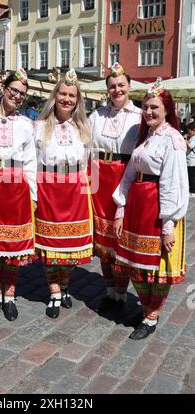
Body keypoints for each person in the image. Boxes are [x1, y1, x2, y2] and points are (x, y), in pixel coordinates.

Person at [113, 78, 189, 339]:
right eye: (145, 107)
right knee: (136, 262)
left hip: (157, 209)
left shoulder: (173, 140)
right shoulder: (145, 138)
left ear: (167, 109)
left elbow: (172, 184)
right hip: (137, 206)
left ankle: (152, 315)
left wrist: (168, 226)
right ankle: (146, 308)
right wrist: (120, 209)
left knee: (157, 268)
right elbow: (129, 174)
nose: (148, 112)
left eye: (154, 107)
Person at [0, 68, 37, 321]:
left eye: (22, 94)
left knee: (13, 246)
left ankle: (10, 295)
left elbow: (32, 162)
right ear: (4, 89)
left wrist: (33, 195)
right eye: (14, 91)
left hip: (16, 187)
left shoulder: (26, 124)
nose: (18, 97)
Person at [34, 69, 93, 318]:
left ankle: (66, 286)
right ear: (55, 95)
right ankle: (54, 292)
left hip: (75, 188)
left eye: (72, 95)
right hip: (49, 185)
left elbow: (89, 161)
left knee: (69, 246)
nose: (67, 99)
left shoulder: (84, 128)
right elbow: (33, 161)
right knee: (50, 244)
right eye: (63, 93)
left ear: (77, 100)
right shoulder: (39, 126)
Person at [88, 63, 141, 312]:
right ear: (107, 89)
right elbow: (85, 146)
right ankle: (109, 289)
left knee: (121, 236)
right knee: (103, 237)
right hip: (98, 176)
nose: (116, 90)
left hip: (124, 175)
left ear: (129, 86)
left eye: (121, 85)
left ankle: (121, 291)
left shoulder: (139, 116)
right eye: (112, 86)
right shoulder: (96, 115)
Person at [186, 121, 195, 198]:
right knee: (190, 176)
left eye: (189, 131)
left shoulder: (194, 138)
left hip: (191, 161)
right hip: (190, 161)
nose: (188, 132)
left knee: (191, 177)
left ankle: (192, 192)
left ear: (193, 130)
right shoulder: (192, 137)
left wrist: (185, 140)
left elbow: (190, 146)